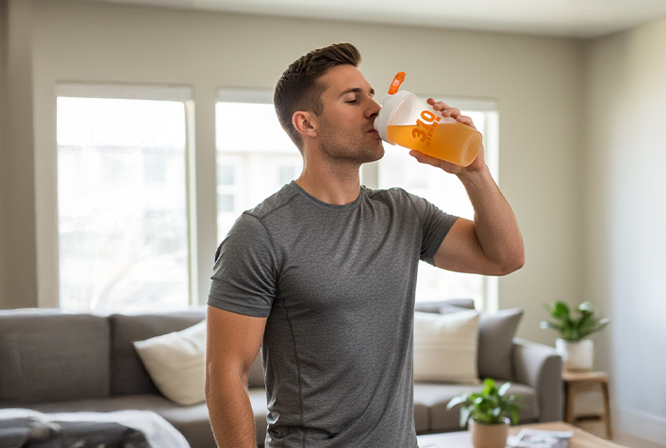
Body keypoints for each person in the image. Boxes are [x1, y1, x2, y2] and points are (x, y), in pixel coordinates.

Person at [205, 43, 524, 448]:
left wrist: (473, 170)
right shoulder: (260, 232)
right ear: (307, 123)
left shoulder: (403, 212)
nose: (375, 109)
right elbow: (224, 373)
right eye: (353, 99)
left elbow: (505, 258)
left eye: (372, 95)